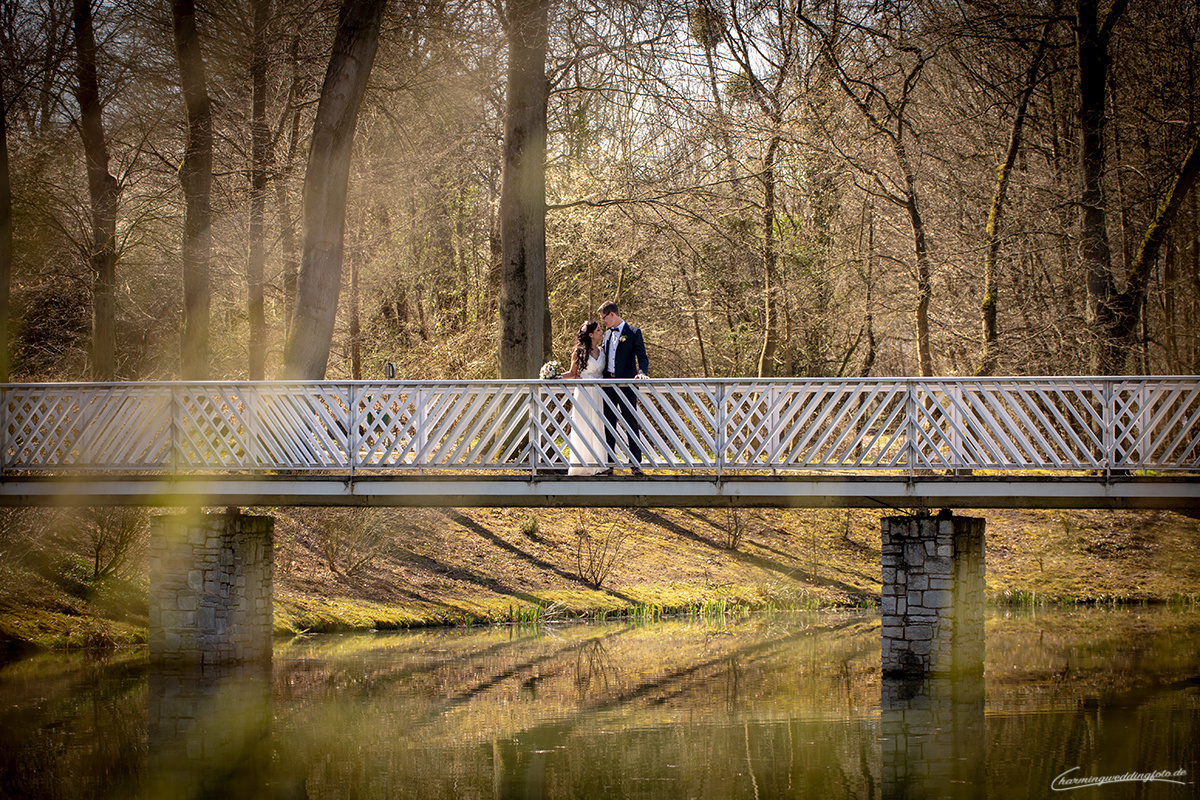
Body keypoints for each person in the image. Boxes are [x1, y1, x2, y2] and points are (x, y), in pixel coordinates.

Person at [597, 301, 649, 475]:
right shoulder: (606, 335)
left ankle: (635, 464)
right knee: (608, 424)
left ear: (612, 314)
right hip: (608, 385)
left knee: (630, 423)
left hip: (626, 385)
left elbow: (642, 356)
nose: (602, 322)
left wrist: (642, 372)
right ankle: (609, 465)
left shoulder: (634, 332)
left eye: (603, 318)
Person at [562, 320, 607, 476]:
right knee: (584, 425)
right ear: (591, 334)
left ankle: (600, 464)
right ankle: (581, 465)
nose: (602, 332)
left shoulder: (603, 351)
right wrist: (553, 376)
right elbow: (572, 373)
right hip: (584, 392)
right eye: (599, 330)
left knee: (599, 426)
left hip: (600, 392)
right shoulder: (579, 351)